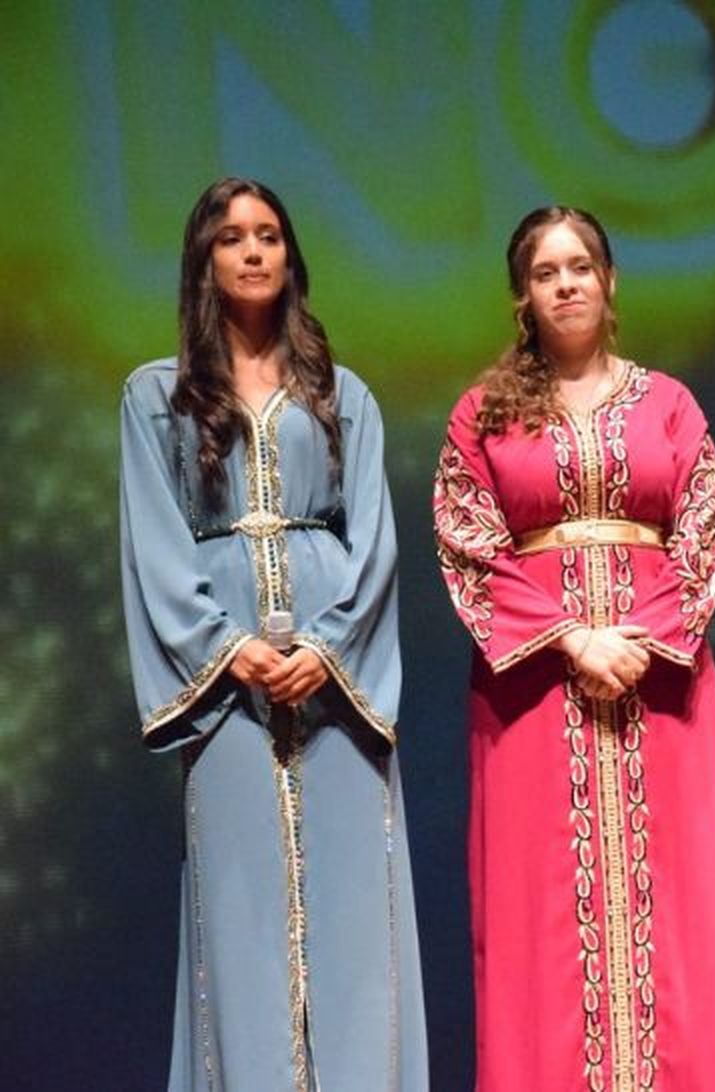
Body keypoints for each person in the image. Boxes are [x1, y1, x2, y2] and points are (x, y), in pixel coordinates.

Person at [432, 205, 715, 1090]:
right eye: (546, 272)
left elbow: (701, 525)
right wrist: (570, 638)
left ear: (610, 282)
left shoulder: (669, 403)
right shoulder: (483, 413)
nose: (567, 283)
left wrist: (641, 642)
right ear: (523, 297)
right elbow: (468, 540)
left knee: (684, 910)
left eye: (581, 265)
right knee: (541, 916)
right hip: (534, 689)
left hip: (660, 686)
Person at [118, 177, 427, 1090]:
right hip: (229, 699)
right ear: (203, 259)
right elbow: (155, 543)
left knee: (354, 915)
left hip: (335, 688)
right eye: (230, 237)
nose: (252, 251)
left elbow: (372, 539)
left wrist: (326, 650)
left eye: (268, 235)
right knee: (243, 917)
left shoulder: (343, 394)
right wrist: (228, 650)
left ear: (291, 257)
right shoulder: (157, 396)